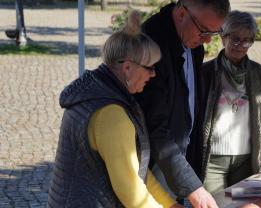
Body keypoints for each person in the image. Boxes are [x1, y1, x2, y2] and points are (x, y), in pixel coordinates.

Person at [47, 11, 181, 208]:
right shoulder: (111, 114)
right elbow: (132, 193)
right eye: (150, 68)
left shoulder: (96, 93)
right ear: (127, 68)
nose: (153, 75)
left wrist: (171, 205)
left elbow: (137, 169)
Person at [134, 0, 230, 207]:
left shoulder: (192, 43)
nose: (206, 40)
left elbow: (189, 103)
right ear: (181, 14)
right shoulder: (150, 43)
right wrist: (192, 187)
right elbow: (154, 126)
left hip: (179, 154)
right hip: (154, 162)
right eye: (204, 31)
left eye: (213, 33)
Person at [190, 10, 261, 195]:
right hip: (212, 159)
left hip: (246, 158)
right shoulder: (205, 72)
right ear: (223, 37)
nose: (240, 45)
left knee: (243, 205)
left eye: (247, 40)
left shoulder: (258, 73)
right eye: (235, 38)